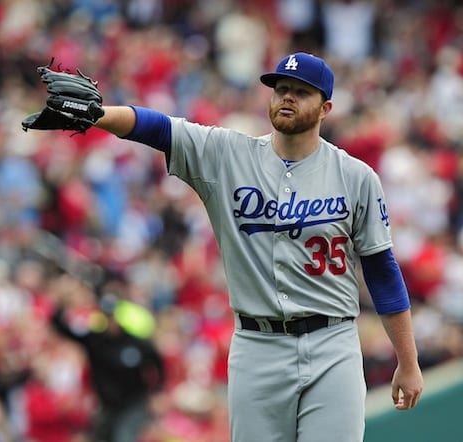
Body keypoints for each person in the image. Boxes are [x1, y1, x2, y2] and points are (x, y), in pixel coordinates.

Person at [23, 52, 423, 442]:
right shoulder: (228, 154)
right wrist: (99, 114)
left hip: (332, 343)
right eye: (280, 88)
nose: (287, 96)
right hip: (257, 344)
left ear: (325, 108)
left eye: (300, 92)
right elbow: (160, 128)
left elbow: (382, 271)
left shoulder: (356, 177)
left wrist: (408, 360)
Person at [51, 290, 165, 442]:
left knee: (123, 436)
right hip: (107, 403)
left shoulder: (136, 342)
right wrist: (61, 304)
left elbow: (157, 364)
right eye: (108, 316)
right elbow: (64, 330)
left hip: (133, 401)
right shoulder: (96, 341)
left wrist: (157, 390)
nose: (111, 321)